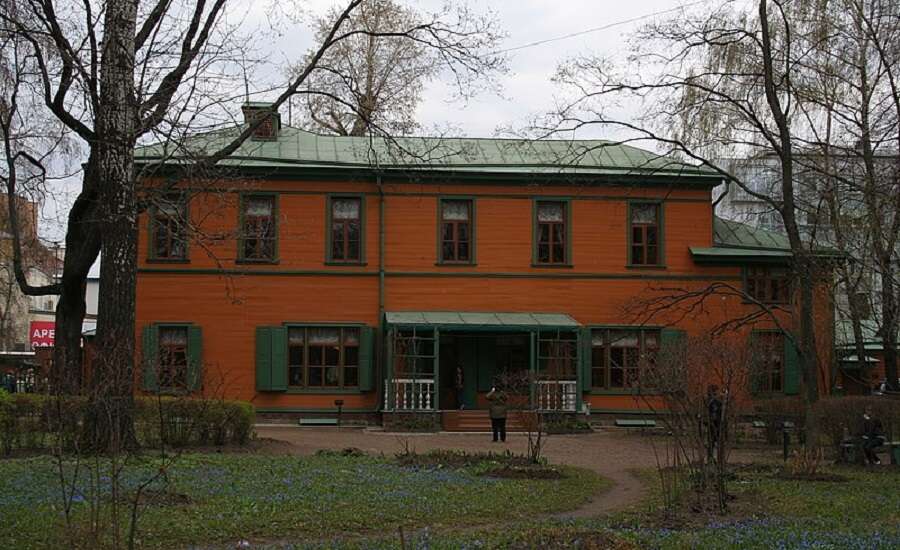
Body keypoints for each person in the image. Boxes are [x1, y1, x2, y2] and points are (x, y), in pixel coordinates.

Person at [706, 385, 724, 460]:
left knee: (719, 442)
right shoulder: (711, 402)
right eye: (716, 393)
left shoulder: (719, 402)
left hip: (718, 424)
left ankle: (719, 458)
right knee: (711, 442)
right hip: (713, 424)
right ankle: (710, 458)